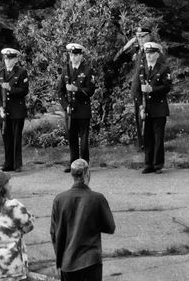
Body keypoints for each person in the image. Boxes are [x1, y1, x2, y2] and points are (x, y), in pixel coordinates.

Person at [50, 159, 116, 281]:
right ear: (86, 174)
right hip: (91, 261)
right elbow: (110, 227)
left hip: (68, 262)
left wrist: (59, 263)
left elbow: (55, 234)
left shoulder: (59, 200)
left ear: (72, 174)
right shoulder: (97, 198)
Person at [132, 42, 172, 174]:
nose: (148, 55)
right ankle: (148, 164)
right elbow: (136, 89)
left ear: (157, 54)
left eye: (151, 53)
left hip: (159, 108)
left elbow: (167, 87)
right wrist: (141, 106)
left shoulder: (163, 69)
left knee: (158, 137)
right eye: (147, 53)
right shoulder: (142, 69)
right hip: (146, 108)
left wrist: (152, 89)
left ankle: (158, 164)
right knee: (147, 136)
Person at [57, 43, 96, 171]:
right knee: (72, 137)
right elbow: (60, 91)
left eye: (76, 55)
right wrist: (65, 105)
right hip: (70, 110)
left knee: (83, 139)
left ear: (81, 56)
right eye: (71, 55)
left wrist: (77, 89)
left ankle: (84, 164)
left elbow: (90, 90)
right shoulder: (65, 70)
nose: (73, 57)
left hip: (83, 109)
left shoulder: (87, 70)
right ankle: (73, 163)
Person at [113, 26, 152, 148]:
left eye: (142, 36)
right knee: (139, 116)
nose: (139, 39)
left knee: (149, 116)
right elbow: (116, 60)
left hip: (148, 87)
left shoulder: (153, 50)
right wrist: (127, 45)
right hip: (137, 89)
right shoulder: (136, 51)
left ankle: (150, 143)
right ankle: (142, 145)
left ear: (149, 36)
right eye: (137, 37)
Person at [0, 48, 29, 172]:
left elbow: (24, 90)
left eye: (10, 58)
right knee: (6, 137)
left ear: (16, 60)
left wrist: (10, 89)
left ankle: (17, 164)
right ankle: (8, 163)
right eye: (6, 58)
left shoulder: (21, 72)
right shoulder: (0, 73)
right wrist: (0, 108)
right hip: (4, 111)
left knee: (16, 137)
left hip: (17, 110)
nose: (7, 61)